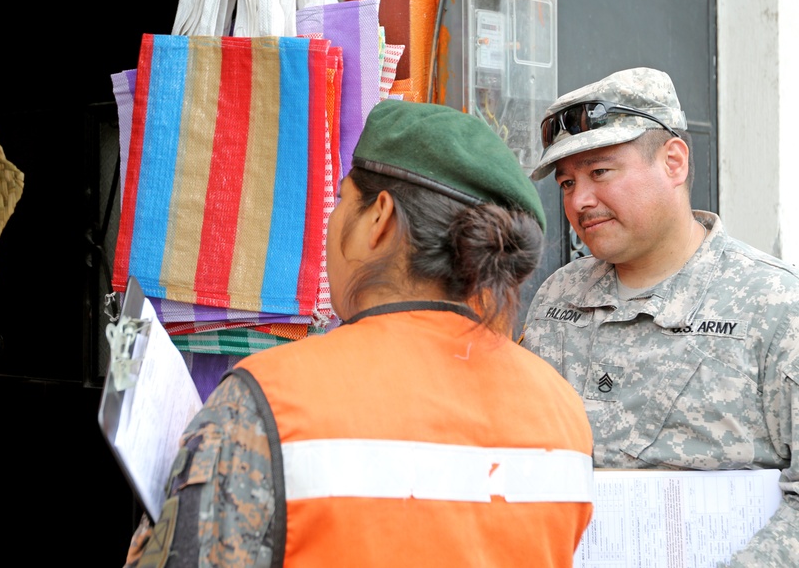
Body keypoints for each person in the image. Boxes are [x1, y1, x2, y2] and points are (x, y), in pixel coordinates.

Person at [126, 100, 594, 567]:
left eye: (341, 200)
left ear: (380, 219)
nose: (331, 222)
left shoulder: (267, 398)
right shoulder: (563, 412)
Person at [522, 67, 799, 566]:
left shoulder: (775, 305)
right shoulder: (557, 299)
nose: (579, 200)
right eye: (566, 182)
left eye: (600, 172)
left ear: (673, 162)